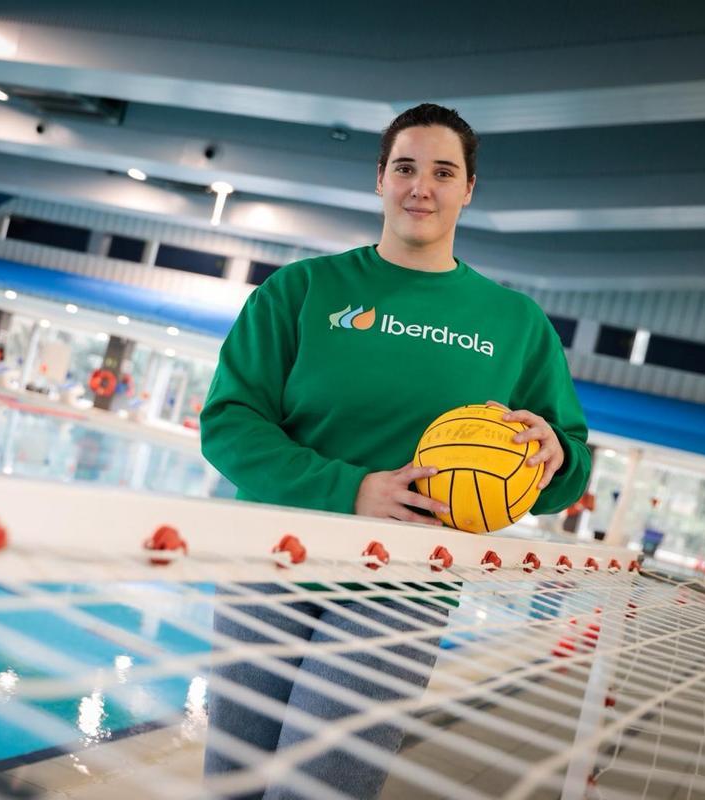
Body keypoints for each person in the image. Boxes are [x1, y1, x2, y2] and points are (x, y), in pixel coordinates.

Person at [199, 103, 591, 798]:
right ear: (380, 178)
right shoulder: (303, 290)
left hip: (404, 582)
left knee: (321, 786)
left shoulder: (516, 326)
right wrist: (351, 490)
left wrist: (555, 454)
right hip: (276, 556)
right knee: (234, 782)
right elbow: (230, 422)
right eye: (405, 168)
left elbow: (568, 464)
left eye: (444, 171)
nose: (422, 186)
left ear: (469, 188)